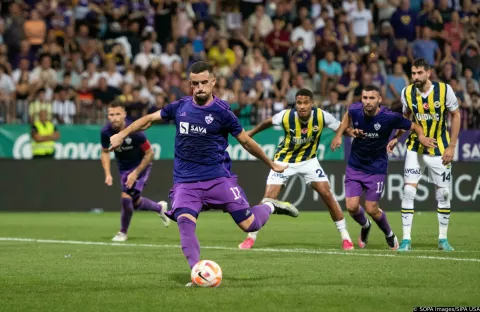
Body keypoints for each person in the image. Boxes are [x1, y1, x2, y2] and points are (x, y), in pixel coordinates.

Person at [108, 61, 298, 285]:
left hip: (218, 179)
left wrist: (271, 164)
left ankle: (270, 205)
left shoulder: (223, 112)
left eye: (204, 83)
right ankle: (198, 274)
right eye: (195, 83)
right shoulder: (180, 107)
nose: (200, 87)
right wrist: (122, 134)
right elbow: (149, 119)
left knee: (250, 225)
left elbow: (246, 141)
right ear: (190, 84)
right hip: (186, 183)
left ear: (213, 82)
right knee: (185, 225)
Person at [238, 88, 356, 250]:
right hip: (284, 161)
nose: (302, 106)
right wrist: (251, 132)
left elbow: (341, 128)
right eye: (299, 103)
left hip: (309, 161)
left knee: (327, 193)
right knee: (267, 199)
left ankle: (346, 238)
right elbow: (267, 122)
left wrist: (351, 133)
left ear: (312, 103)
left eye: (305, 103)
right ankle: (250, 238)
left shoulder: (321, 116)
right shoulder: (286, 116)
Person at [331, 85, 436, 250]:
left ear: (379, 99)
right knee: (351, 207)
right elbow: (347, 116)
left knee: (372, 209)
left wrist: (420, 137)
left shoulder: (389, 117)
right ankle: (366, 226)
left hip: (376, 168)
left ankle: (389, 234)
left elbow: (414, 126)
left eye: (372, 98)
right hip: (355, 166)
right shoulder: (355, 109)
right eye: (365, 98)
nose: (367, 102)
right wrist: (339, 136)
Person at [387, 58, 461, 252]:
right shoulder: (407, 93)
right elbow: (405, 118)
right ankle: (406, 240)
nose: (416, 77)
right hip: (415, 148)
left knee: (443, 193)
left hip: (440, 148)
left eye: (419, 73)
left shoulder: (445, 90)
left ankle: (443, 239)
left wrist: (452, 146)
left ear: (428, 73)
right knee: (409, 191)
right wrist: (397, 137)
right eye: (413, 73)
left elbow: (456, 115)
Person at [100, 100, 170, 242]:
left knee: (126, 198)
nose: (114, 118)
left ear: (124, 114)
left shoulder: (134, 131)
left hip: (140, 166)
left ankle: (122, 232)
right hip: (123, 169)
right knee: (135, 202)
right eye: (111, 114)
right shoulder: (106, 132)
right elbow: (105, 152)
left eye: (118, 114)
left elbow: (150, 153)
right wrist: (107, 173)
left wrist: (136, 173)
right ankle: (159, 208)